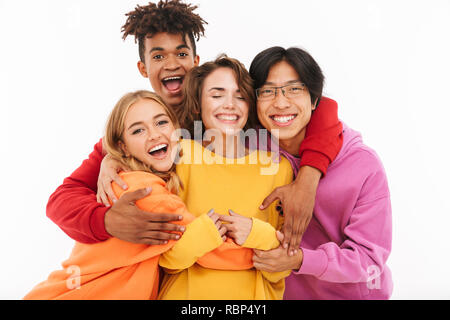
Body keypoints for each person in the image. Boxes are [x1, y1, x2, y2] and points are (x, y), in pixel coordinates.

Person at [46, 0, 342, 256]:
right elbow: (61, 201)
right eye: (158, 56)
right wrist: (107, 218)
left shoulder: (225, 113)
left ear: (196, 60)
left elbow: (321, 108)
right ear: (143, 68)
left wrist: (308, 178)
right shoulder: (135, 132)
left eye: (182, 53)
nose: (172, 64)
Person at [24, 90, 252, 300]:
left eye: (161, 122)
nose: (154, 135)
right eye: (138, 130)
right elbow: (216, 253)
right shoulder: (144, 191)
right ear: (122, 147)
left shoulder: (137, 177)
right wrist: (270, 246)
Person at [248, 46, 393, 299]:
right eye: (268, 91)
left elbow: (369, 259)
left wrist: (300, 260)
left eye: (294, 89)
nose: (281, 103)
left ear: (315, 100)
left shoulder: (362, 165)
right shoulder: (249, 149)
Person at [157, 55, 292, 300]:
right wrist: (203, 236)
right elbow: (162, 258)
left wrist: (257, 233)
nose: (230, 104)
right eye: (217, 95)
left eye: (240, 96)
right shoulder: (179, 154)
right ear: (197, 104)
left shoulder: (278, 168)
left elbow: (282, 267)